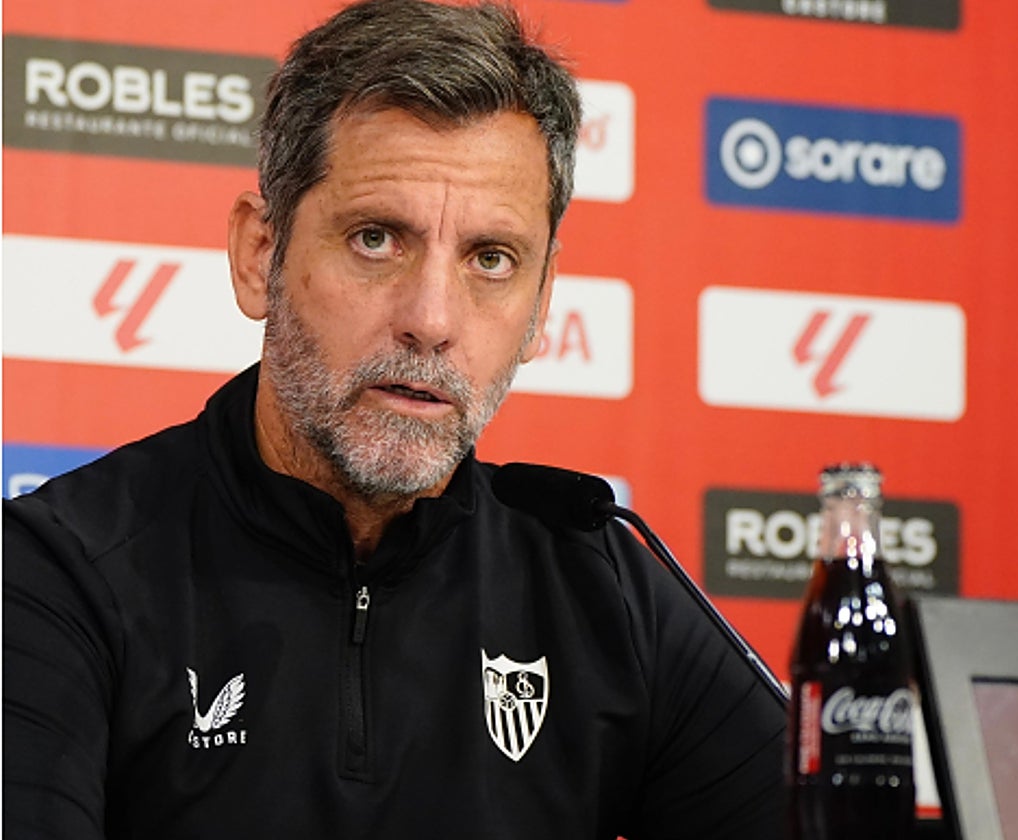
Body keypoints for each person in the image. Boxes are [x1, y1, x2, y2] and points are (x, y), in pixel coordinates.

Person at [2, 1, 787, 837]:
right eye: (377, 239)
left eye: (491, 259)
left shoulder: (604, 585)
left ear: (542, 304)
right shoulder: (59, 575)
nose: (432, 318)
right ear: (259, 254)